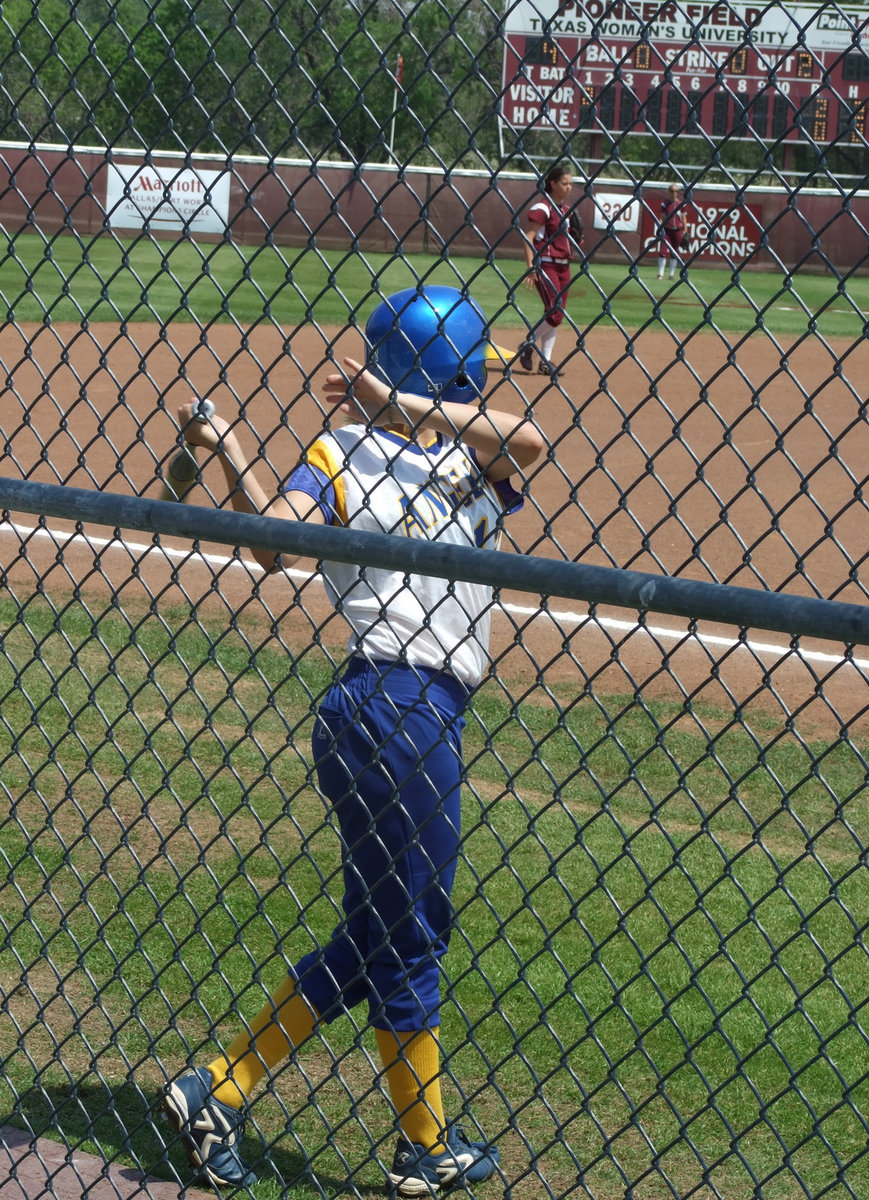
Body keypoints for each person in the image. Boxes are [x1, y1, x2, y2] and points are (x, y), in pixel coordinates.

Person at [158, 285, 543, 1194]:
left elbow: (528, 438)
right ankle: (423, 1146)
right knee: (410, 937)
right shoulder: (340, 455)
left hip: (411, 717)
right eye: (471, 370)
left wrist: (396, 404)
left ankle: (216, 1088)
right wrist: (236, 462)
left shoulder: (471, 457)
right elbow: (278, 547)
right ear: (452, 368)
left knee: (376, 932)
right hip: (391, 707)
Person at [518, 163, 577, 378]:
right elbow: (529, 237)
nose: (569, 187)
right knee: (556, 312)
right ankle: (527, 344)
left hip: (564, 266)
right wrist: (531, 265)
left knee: (553, 312)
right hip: (547, 263)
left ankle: (544, 361)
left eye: (571, 184)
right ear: (552, 184)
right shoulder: (543, 208)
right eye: (565, 183)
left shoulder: (564, 209)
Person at [657, 182, 689, 280]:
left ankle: (671, 274)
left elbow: (683, 218)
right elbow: (661, 217)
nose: (674, 193)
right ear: (668, 192)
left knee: (674, 252)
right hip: (667, 230)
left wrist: (686, 231)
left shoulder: (681, 204)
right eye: (672, 191)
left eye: (676, 191)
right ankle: (660, 274)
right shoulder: (665, 204)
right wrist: (660, 227)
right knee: (663, 251)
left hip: (677, 230)